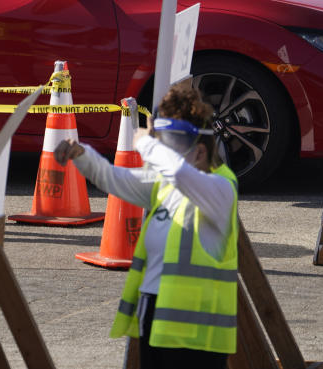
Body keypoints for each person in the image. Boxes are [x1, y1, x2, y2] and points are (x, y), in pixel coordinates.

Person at [54, 85, 238, 368]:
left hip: (196, 339)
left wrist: (144, 141)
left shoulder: (220, 189)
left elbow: (177, 170)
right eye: (164, 142)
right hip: (155, 320)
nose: (165, 152)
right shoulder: (165, 185)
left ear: (200, 152)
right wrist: (82, 155)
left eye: (172, 144)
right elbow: (113, 179)